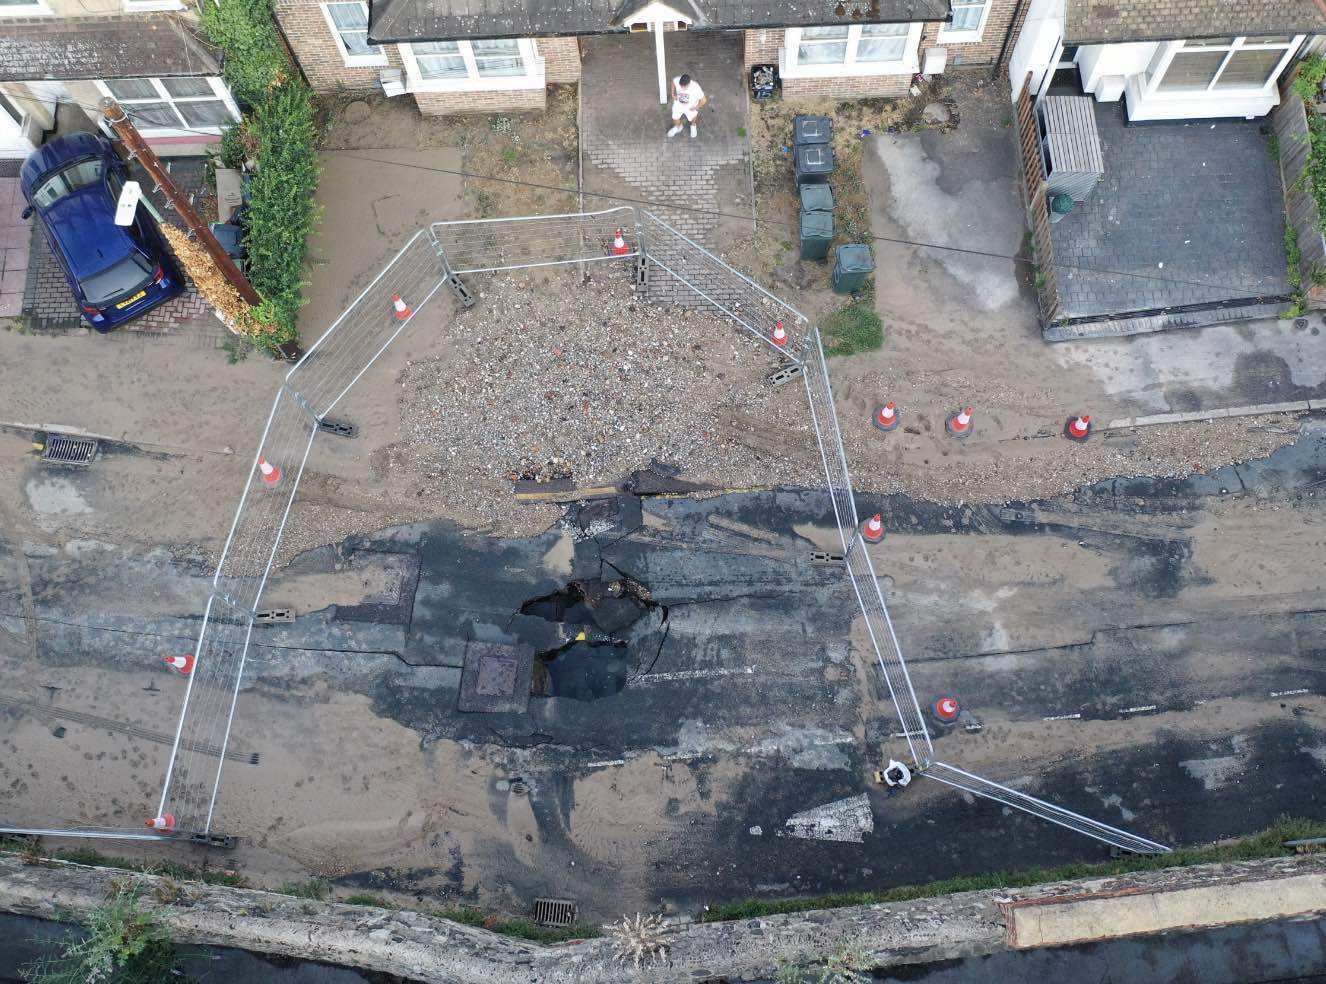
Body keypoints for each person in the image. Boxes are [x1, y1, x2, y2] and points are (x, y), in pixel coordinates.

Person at [667, 73, 707, 139]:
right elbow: (673, 83)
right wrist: (672, 94)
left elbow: (704, 100)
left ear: (689, 84)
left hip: (691, 107)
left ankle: (693, 125)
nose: (682, 88)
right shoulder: (677, 80)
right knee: (675, 118)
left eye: (684, 86)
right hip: (678, 104)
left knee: (693, 117)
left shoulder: (696, 87)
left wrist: (696, 107)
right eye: (681, 86)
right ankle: (678, 126)